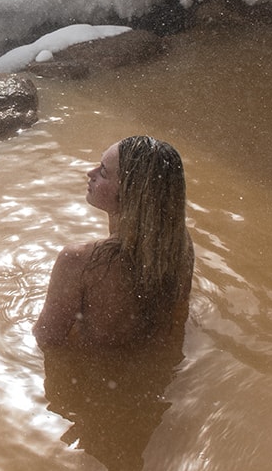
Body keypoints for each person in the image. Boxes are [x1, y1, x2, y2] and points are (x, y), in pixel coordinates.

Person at [33, 136, 194, 349]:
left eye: (103, 172)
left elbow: (46, 340)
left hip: (91, 376)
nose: (90, 173)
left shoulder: (78, 261)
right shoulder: (179, 245)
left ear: (130, 194)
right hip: (152, 371)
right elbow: (178, 314)